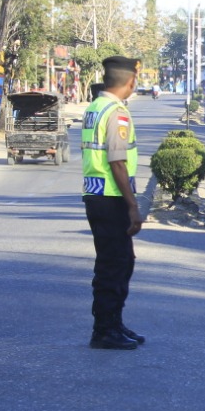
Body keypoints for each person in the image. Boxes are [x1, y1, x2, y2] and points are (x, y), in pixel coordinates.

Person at [81, 56, 145, 350]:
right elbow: (117, 162)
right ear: (130, 81)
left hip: (97, 196)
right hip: (111, 198)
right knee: (114, 264)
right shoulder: (117, 113)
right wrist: (133, 206)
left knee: (117, 262)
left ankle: (112, 322)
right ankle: (105, 330)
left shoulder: (95, 106)